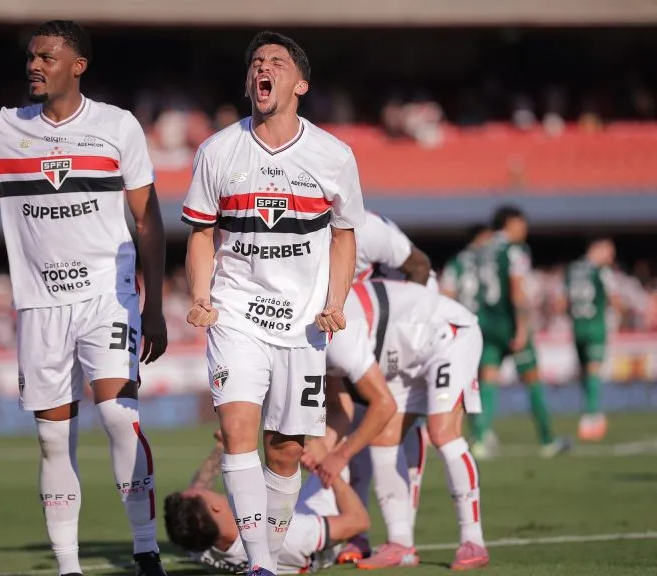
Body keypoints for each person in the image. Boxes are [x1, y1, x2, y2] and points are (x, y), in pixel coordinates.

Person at [0, 20, 169, 576]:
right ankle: (68, 567)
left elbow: (148, 220)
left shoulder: (117, 126)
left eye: (47, 57)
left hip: (107, 295)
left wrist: (154, 307)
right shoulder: (1, 129)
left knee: (119, 418)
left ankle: (146, 552)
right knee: (54, 440)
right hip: (40, 305)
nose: (34, 65)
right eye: (31, 56)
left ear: (78, 66)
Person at [181, 31, 365, 576]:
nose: (263, 68)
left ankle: (274, 561)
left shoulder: (334, 155)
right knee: (239, 432)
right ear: (249, 82)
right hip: (236, 313)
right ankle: (260, 565)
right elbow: (200, 233)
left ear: (300, 84)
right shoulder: (217, 150)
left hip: (303, 324)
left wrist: (336, 301)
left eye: (277, 62)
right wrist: (200, 295)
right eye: (256, 62)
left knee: (285, 451)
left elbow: (344, 235)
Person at [327, 279, 490, 570]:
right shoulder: (318, 327)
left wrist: (340, 455)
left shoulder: (335, 333)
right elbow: (341, 409)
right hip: (402, 355)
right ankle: (400, 545)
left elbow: (382, 406)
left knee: (442, 432)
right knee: (383, 439)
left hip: (446, 335)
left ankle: (473, 541)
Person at [335, 210, 434, 563]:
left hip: (404, 323)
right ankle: (356, 533)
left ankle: (402, 535)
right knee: (358, 429)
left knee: (395, 422)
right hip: (362, 321)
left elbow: (420, 266)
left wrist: (406, 333)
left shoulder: (368, 229)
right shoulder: (305, 228)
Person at [164, 433, 369, 573]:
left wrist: (222, 445)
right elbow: (359, 521)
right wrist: (328, 464)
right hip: (319, 516)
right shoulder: (287, 534)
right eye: (201, 493)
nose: (203, 488)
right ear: (215, 508)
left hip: (277, 510)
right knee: (332, 439)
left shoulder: (199, 544)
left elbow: (197, 487)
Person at [472, 206, 569, 459]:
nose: (525, 229)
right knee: (532, 380)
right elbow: (516, 289)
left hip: (487, 323)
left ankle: (481, 439)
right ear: (509, 224)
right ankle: (547, 440)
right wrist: (523, 326)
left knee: (488, 381)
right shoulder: (515, 250)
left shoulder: (483, 250)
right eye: (521, 224)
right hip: (509, 323)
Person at [564, 238, 619, 441]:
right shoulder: (602, 271)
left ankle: (588, 411)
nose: (611, 258)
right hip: (595, 325)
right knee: (594, 370)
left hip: (577, 326)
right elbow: (615, 299)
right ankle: (591, 417)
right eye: (609, 252)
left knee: (585, 372)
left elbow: (562, 302)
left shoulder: (572, 270)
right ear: (597, 249)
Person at [440, 224, 492, 313]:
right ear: (480, 237)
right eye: (489, 237)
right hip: (492, 317)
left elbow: (448, 295)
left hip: (465, 315)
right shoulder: (492, 261)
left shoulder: (456, 261)